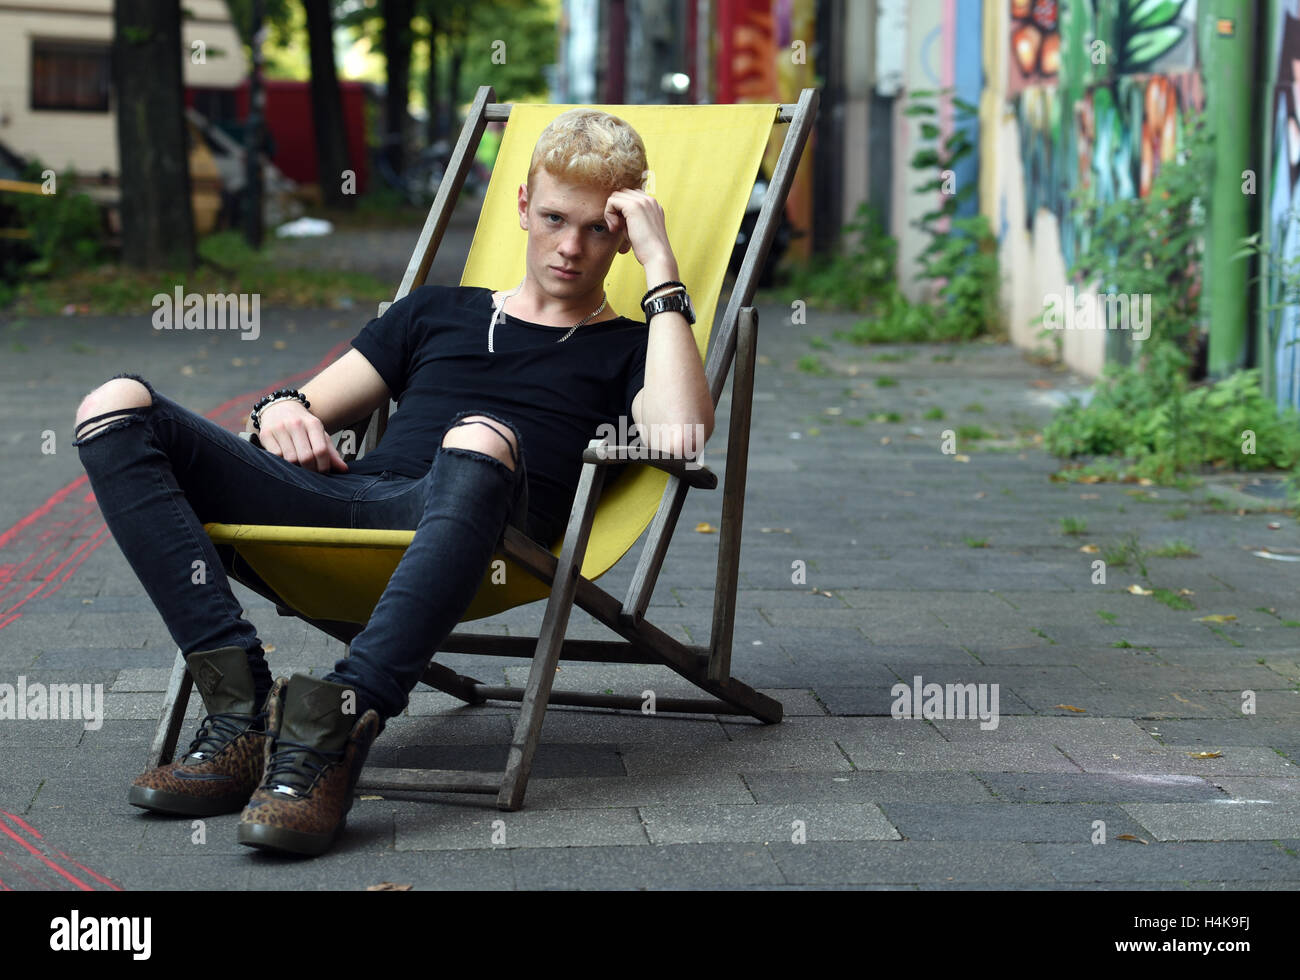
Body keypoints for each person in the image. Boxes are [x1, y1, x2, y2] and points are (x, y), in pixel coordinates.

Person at [71, 108, 712, 857]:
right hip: (347, 499)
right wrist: (280, 411)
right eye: (553, 218)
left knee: (477, 433)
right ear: (520, 208)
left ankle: (333, 726)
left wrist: (662, 269)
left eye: (599, 229)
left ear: (625, 233)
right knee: (113, 404)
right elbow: (300, 408)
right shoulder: (435, 312)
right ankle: (238, 704)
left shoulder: (630, 346)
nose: (571, 247)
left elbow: (678, 434)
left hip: (484, 524)